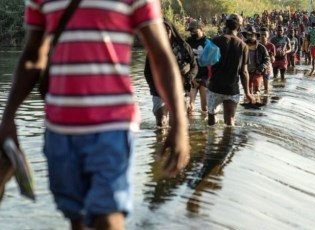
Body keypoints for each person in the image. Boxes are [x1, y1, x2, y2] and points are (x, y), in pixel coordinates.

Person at [0, 1, 190, 229]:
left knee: (107, 218)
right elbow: (32, 57)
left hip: (113, 126)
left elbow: (161, 56)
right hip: (59, 128)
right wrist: (8, 117)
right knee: (77, 219)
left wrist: (179, 123)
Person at [144, 18, 198, 127]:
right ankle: (160, 143)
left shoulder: (184, 47)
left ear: (171, 30)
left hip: (180, 88)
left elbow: (194, 66)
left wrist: (188, 78)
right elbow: (147, 72)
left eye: (166, 30)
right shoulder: (154, 49)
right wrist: (153, 88)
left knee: (176, 124)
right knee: (161, 122)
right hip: (159, 90)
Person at [207, 13, 255, 126]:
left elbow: (206, 62)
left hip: (215, 87)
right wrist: (247, 93)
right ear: (239, 27)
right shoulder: (243, 46)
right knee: (230, 122)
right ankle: (228, 143)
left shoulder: (215, 41)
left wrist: (206, 78)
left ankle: (211, 142)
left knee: (211, 119)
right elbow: (244, 72)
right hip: (231, 89)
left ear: (226, 25)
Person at [186, 20, 209, 114]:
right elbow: (184, 61)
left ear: (201, 29)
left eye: (193, 30)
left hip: (206, 78)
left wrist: (209, 78)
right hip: (192, 78)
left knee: (205, 109)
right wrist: (189, 78)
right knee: (188, 108)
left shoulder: (209, 42)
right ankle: (191, 128)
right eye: (190, 31)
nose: (191, 32)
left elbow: (214, 62)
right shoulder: (187, 42)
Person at [243, 26, 271, 95]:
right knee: (248, 92)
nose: (251, 37)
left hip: (257, 71)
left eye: (252, 35)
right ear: (246, 36)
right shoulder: (242, 46)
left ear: (255, 36)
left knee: (257, 90)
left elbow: (267, 59)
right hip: (246, 73)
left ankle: (258, 102)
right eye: (249, 35)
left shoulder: (261, 47)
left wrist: (262, 66)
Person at [259, 27, 276, 94]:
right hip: (258, 68)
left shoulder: (271, 46)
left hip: (267, 69)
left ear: (268, 36)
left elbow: (273, 61)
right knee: (257, 87)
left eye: (265, 35)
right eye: (261, 34)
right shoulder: (256, 45)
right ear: (259, 35)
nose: (263, 36)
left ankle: (265, 101)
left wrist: (271, 56)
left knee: (266, 88)